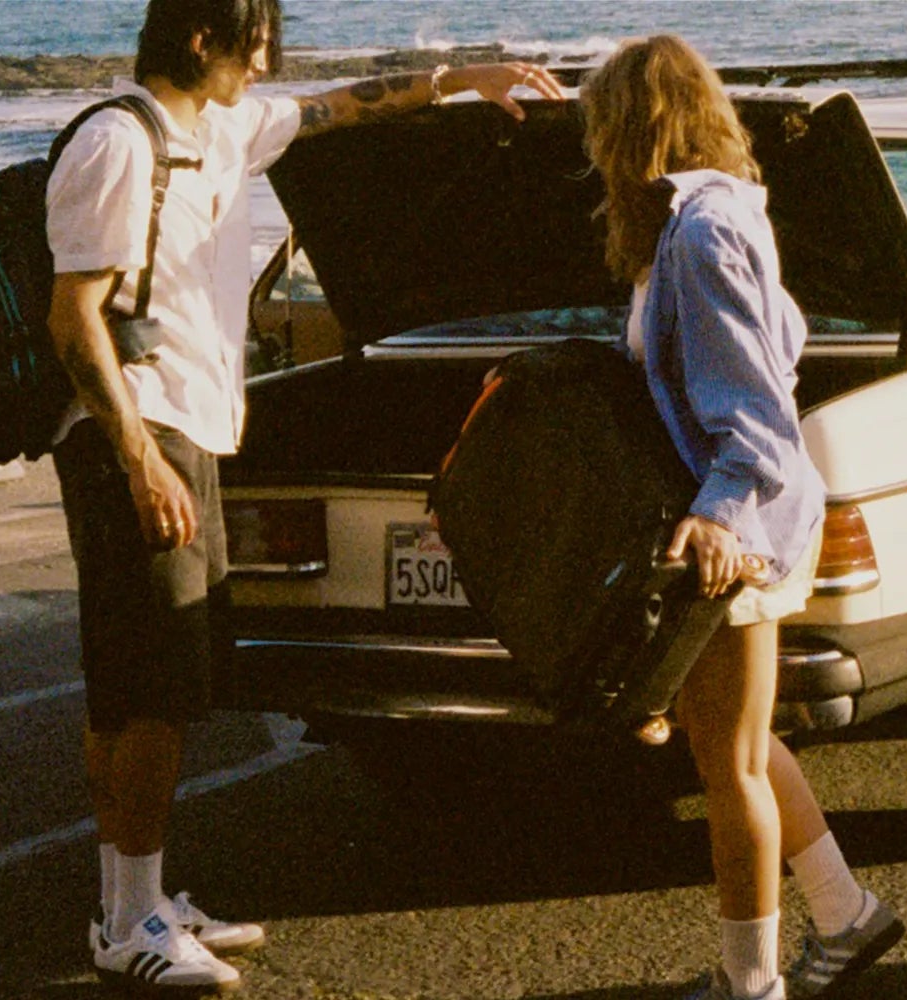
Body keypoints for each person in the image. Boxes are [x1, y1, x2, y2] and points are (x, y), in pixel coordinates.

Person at [43, 1, 560, 992]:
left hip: (184, 428)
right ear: (201, 38)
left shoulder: (221, 130)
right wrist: (138, 458)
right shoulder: (118, 145)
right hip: (138, 434)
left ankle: (130, 902)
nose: (267, 60)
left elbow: (339, 108)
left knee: (143, 680)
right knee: (151, 687)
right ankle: (132, 917)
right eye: (255, 40)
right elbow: (74, 319)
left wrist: (464, 79)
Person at [582, 34, 904, 1000]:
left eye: (601, 127)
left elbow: (758, 417)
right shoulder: (707, 218)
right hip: (742, 517)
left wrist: (721, 516)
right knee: (742, 743)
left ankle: (751, 986)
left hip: (742, 528)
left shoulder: (702, 235)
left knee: (730, 767)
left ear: (635, 127)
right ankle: (846, 913)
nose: (594, 150)